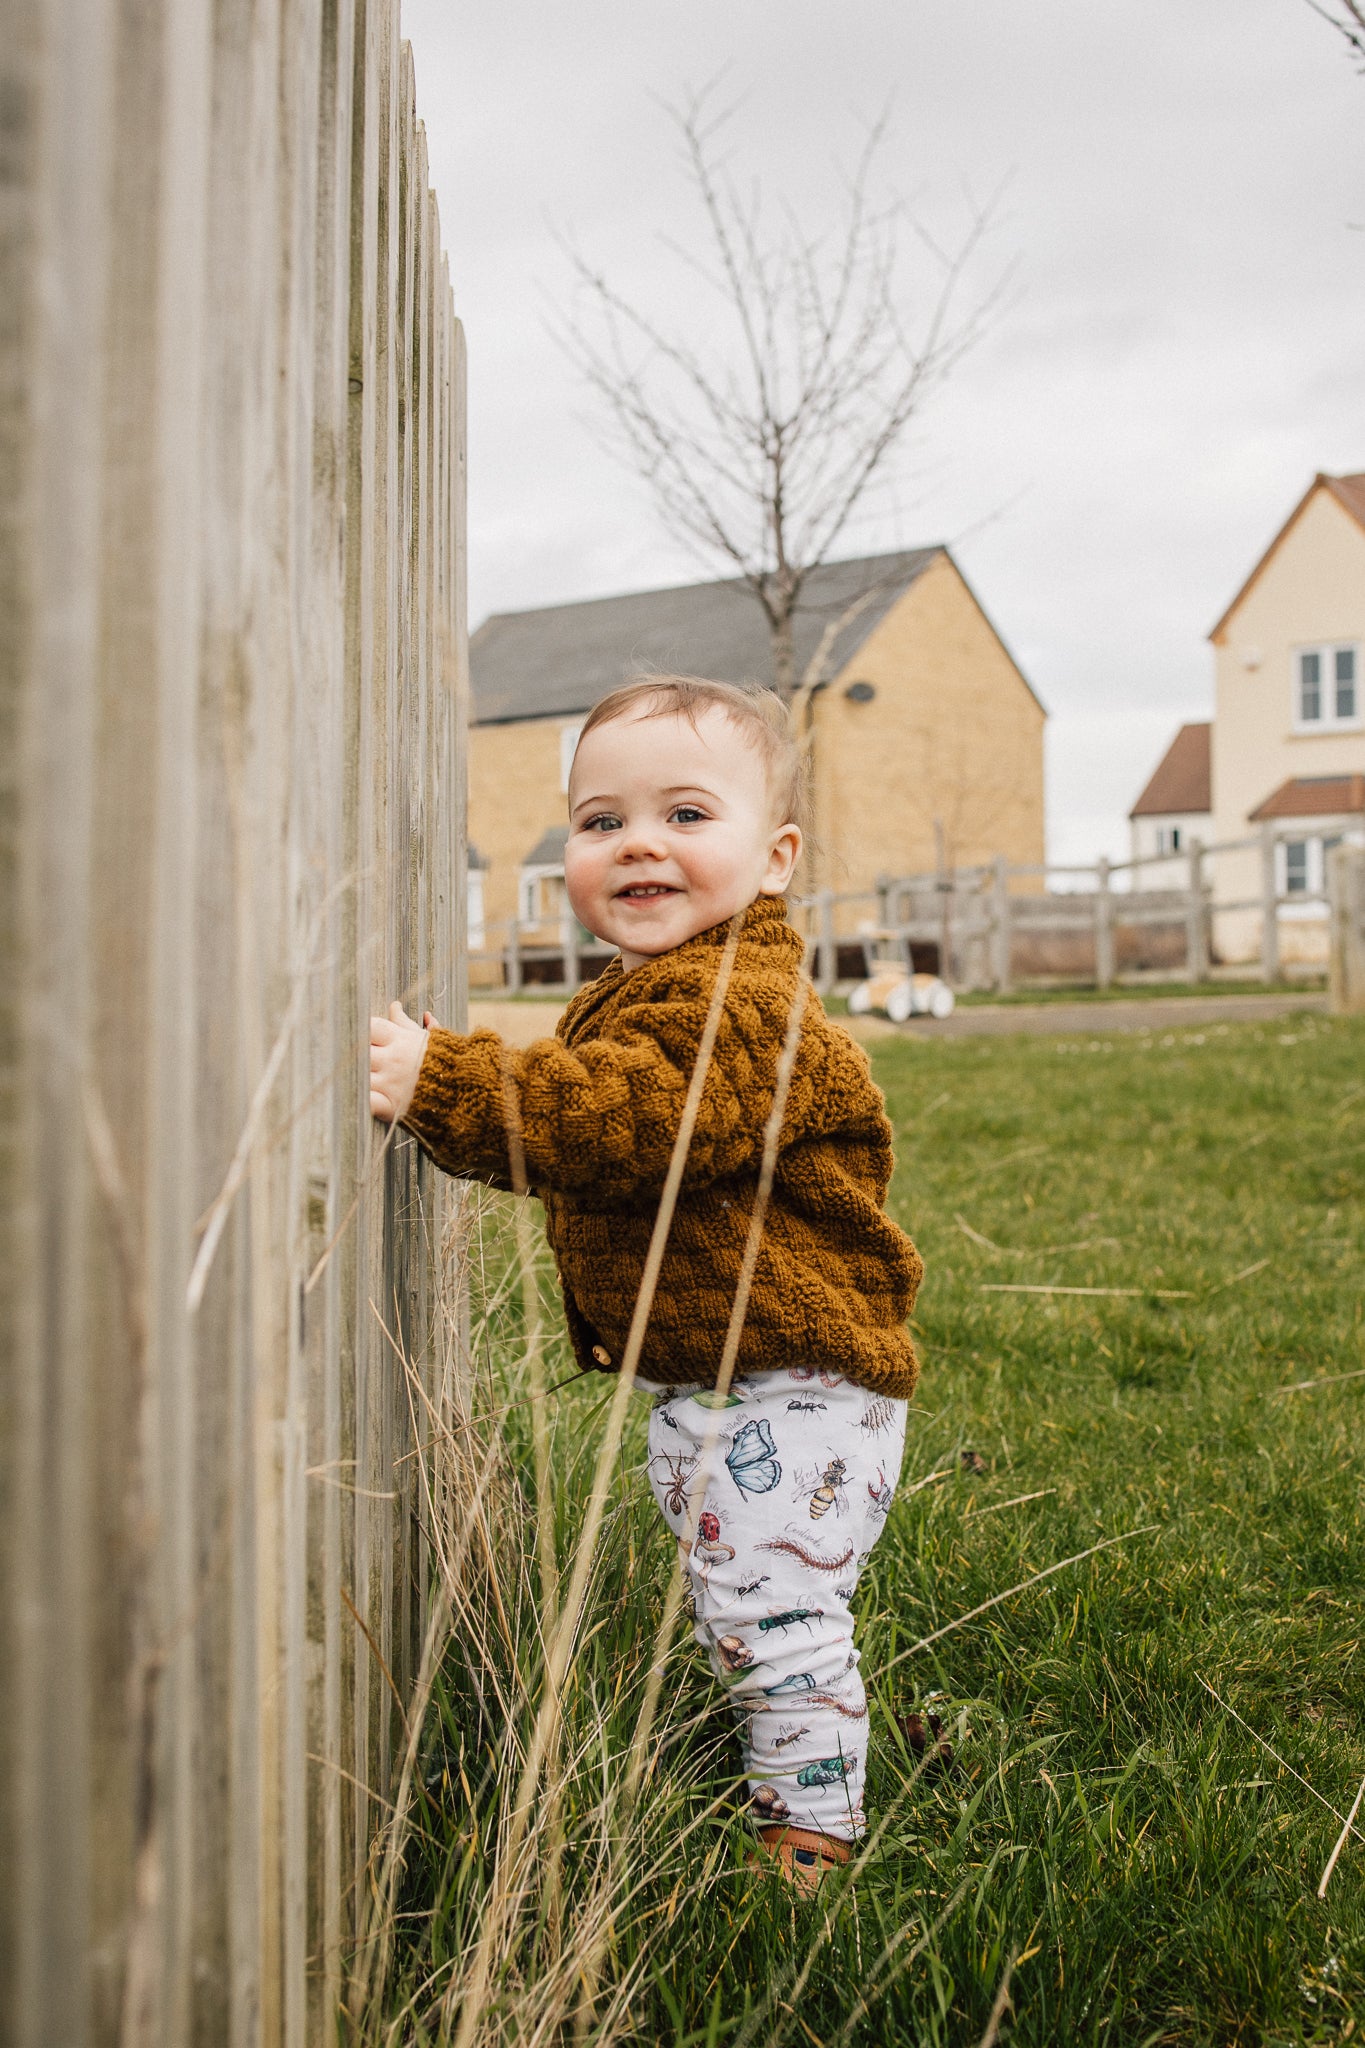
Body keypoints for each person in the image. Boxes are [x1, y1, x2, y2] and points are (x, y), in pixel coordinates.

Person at [369, 676, 923, 1893]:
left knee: (775, 1619)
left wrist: (443, 1083)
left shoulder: (745, 1004)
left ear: (774, 858)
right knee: (744, 1594)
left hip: (798, 1385)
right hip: (730, 1383)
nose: (639, 843)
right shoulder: (660, 988)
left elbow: (627, 1124)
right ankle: (797, 1762)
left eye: (685, 812)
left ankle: (811, 1838)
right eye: (599, 819)